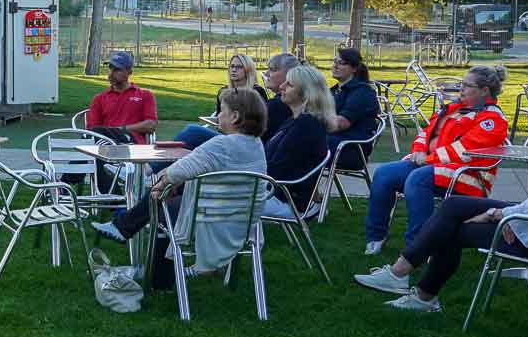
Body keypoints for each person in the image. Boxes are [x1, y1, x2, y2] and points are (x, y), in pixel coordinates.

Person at [354, 86, 528, 312]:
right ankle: (401, 276)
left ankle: (419, 292)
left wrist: (498, 215)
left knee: (453, 230)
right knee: (454, 206)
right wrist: (502, 213)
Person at [90, 87, 269, 282]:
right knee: (169, 193)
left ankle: (160, 279)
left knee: (163, 206)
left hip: (210, 219)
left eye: (222, 110)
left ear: (234, 116)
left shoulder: (220, 145)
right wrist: (171, 183)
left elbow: (176, 171)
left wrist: (162, 186)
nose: (218, 115)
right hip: (243, 220)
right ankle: (123, 228)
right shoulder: (256, 146)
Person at [361, 65, 511, 257]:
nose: (461, 89)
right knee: (384, 173)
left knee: (418, 179)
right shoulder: (454, 109)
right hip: (434, 166)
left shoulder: (492, 119)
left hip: (468, 176)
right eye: (461, 84)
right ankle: (376, 237)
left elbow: (463, 152)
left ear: (484, 91)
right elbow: (425, 134)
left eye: (467, 85)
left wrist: (427, 159)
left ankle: (417, 247)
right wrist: (418, 152)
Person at [261, 64, 339, 221]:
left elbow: (277, 169)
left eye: (289, 84)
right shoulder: (294, 121)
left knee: (213, 194)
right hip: (274, 191)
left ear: (305, 92)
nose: (281, 86)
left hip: (286, 200)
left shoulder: (306, 126)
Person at [86, 50, 158, 144]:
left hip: (133, 145)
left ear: (129, 72)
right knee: (89, 137)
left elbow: (151, 125)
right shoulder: (99, 98)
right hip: (106, 143)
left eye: (117, 70)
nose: (111, 74)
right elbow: (92, 130)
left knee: (111, 140)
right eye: (110, 69)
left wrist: (121, 129)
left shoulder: (145, 95)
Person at [327, 47, 380, 165]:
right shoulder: (334, 91)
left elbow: (340, 124)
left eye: (341, 63)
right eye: (335, 61)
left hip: (350, 149)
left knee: (301, 144)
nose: (335, 66)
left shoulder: (362, 92)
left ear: (354, 68)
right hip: (332, 143)